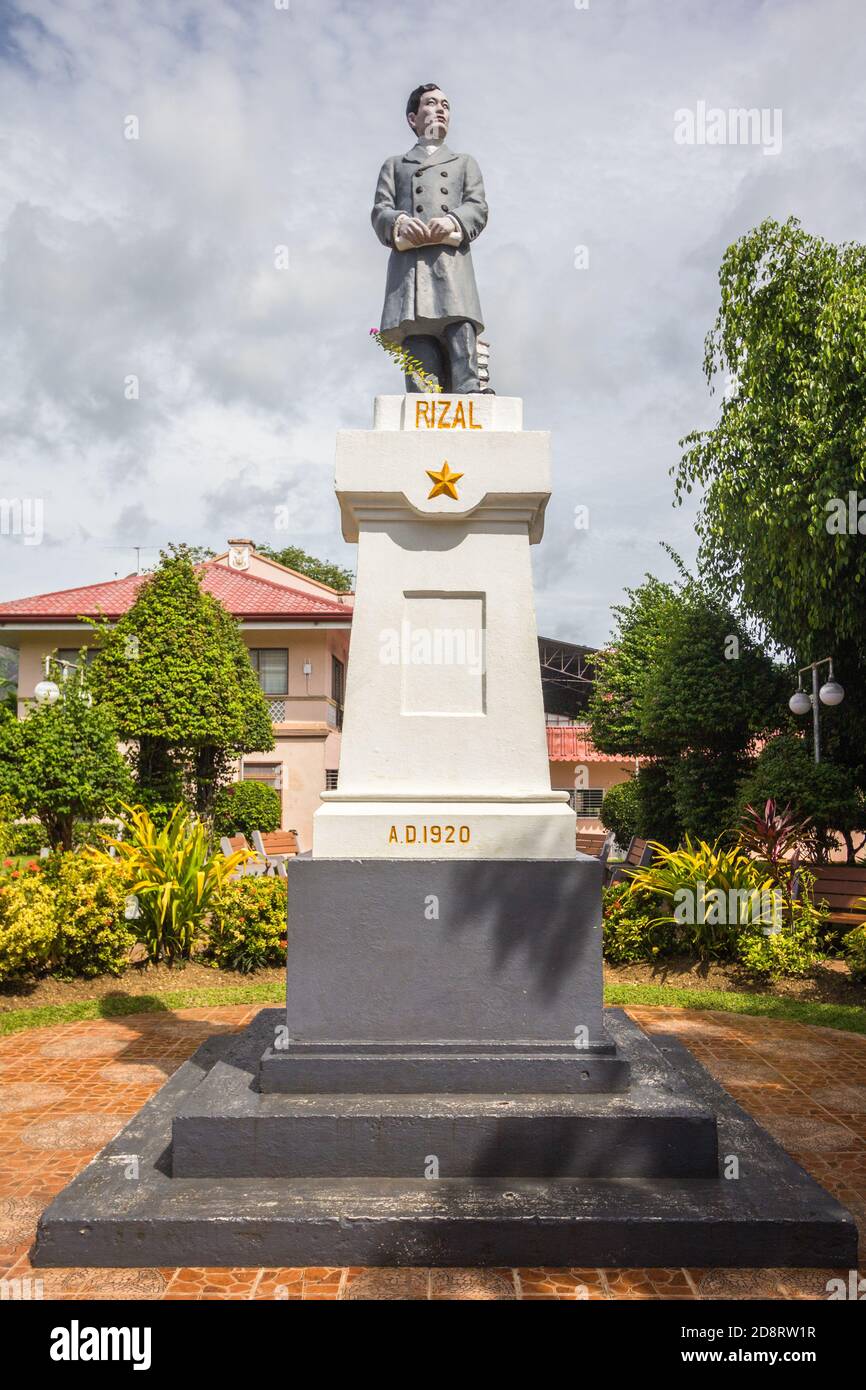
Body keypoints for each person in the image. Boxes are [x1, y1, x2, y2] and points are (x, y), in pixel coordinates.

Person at [371, 83, 493, 394]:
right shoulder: (395, 165)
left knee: (459, 326)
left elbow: (477, 206)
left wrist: (453, 220)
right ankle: (424, 397)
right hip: (410, 269)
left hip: (451, 262)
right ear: (413, 118)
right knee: (418, 336)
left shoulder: (464, 163)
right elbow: (380, 210)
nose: (440, 109)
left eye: (445, 105)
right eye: (431, 103)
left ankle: (469, 391)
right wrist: (399, 222)